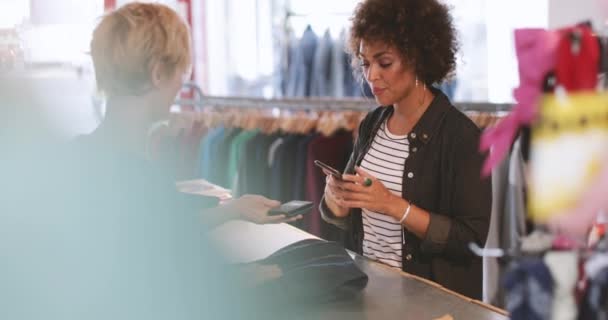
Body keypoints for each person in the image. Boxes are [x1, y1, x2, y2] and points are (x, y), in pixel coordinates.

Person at [320, 0, 491, 299]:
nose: (371, 75)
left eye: (384, 63)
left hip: (427, 303)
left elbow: (470, 241)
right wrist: (338, 199)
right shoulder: (371, 124)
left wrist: (393, 205)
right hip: (369, 291)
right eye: (365, 63)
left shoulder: (461, 137)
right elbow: (347, 216)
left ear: (418, 57)